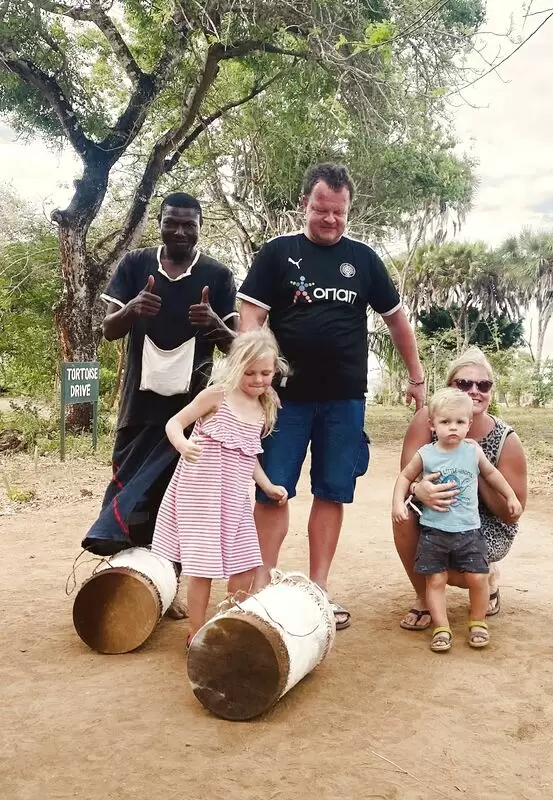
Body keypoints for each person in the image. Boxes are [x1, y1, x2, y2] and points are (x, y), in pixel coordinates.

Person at [237, 162, 425, 630]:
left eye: (339, 212)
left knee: (332, 492)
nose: (330, 220)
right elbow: (249, 322)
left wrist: (416, 378)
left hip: (343, 400)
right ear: (305, 203)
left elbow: (397, 320)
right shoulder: (277, 254)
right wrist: (244, 383)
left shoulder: (363, 260)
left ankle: (319, 589)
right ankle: (261, 587)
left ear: (348, 210)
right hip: (283, 400)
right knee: (272, 492)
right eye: (322, 210)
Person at [82, 192, 239, 558]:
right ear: (160, 224)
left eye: (189, 225)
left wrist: (215, 323)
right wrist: (133, 309)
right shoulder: (135, 264)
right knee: (131, 494)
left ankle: (168, 579)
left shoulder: (217, 276)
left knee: (175, 499)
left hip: (189, 414)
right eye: (172, 223)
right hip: (137, 410)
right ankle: (127, 573)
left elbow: (237, 348)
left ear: (200, 228)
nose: (180, 231)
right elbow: (109, 330)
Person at [151, 330, 289, 644]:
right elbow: (174, 423)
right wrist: (183, 445)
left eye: (265, 373)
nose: (257, 379)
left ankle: (231, 622)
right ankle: (196, 634)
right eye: (249, 372)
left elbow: (248, 454)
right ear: (235, 367)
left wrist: (267, 486)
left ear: (274, 371)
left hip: (235, 502)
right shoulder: (217, 396)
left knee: (245, 564)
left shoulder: (261, 408)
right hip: (200, 498)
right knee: (202, 569)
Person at [393, 347, 528, 631]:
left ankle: (487, 578)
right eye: (464, 384)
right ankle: (423, 598)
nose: (474, 391)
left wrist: (471, 467)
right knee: (404, 516)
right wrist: (419, 490)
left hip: (484, 521)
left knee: (468, 570)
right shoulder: (427, 420)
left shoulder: (505, 439)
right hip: (437, 511)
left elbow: (511, 514)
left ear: (491, 390)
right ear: (450, 388)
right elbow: (406, 476)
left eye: (483, 384)